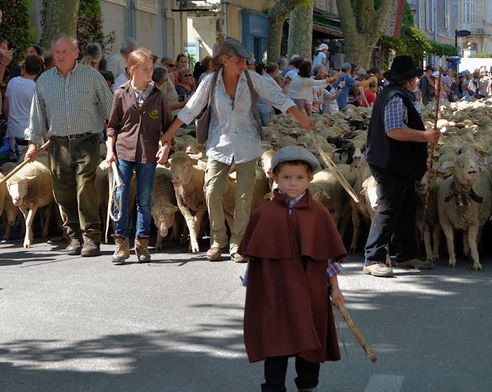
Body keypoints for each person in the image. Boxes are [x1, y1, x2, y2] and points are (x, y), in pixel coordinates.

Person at [161, 37, 313, 263]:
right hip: (218, 144)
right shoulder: (210, 82)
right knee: (211, 191)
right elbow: (191, 109)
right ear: (224, 60)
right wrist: (169, 133)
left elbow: (279, 99)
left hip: (247, 144)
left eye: (246, 61)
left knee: (244, 195)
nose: (244, 65)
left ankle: (238, 242)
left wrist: (301, 119)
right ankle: (217, 240)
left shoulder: (252, 80)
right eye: (239, 61)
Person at [238, 146, 345, 392]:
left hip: (310, 289)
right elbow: (256, 256)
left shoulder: (319, 214)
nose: (293, 183)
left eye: (299, 178)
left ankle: (307, 387)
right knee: (276, 338)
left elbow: (327, 258)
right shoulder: (265, 214)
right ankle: (271, 391)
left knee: (310, 337)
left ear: (309, 179)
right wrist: (253, 283)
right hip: (275, 289)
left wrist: (336, 290)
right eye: (286, 177)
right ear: (274, 177)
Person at [25, 36, 113, 256]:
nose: (61, 56)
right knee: (63, 192)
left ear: (76, 53)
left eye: (65, 52)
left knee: (85, 187)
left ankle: (91, 238)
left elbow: (110, 110)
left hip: (87, 141)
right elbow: (36, 115)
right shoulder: (44, 81)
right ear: (52, 56)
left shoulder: (92, 76)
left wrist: (114, 139)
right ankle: (73, 237)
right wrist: (32, 143)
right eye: (57, 53)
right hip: (58, 144)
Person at [363, 55, 441, 277]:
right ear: (408, 79)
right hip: (390, 163)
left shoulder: (396, 95)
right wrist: (425, 136)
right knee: (388, 208)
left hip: (400, 164)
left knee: (407, 206)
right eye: (414, 77)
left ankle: (406, 254)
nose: (416, 81)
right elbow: (394, 130)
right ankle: (373, 258)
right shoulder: (395, 97)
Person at [105, 48, 172, 264]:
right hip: (124, 151)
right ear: (132, 69)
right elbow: (112, 126)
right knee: (120, 197)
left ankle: (142, 244)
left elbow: (168, 128)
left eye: (151, 69)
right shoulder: (120, 93)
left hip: (148, 153)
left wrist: (166, 146)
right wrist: (110, 151)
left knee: (144, 199)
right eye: (145, 69)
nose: (149, 73)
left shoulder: (158, 96)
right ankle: (121, 244)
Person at [2, 55, 43, 161]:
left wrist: (11, 121)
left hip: (13, 131)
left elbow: (5, 108)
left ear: (24, 67)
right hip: (29, 136)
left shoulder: (12, 82)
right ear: (39, 70)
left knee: (13, 165)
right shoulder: (37, 88)